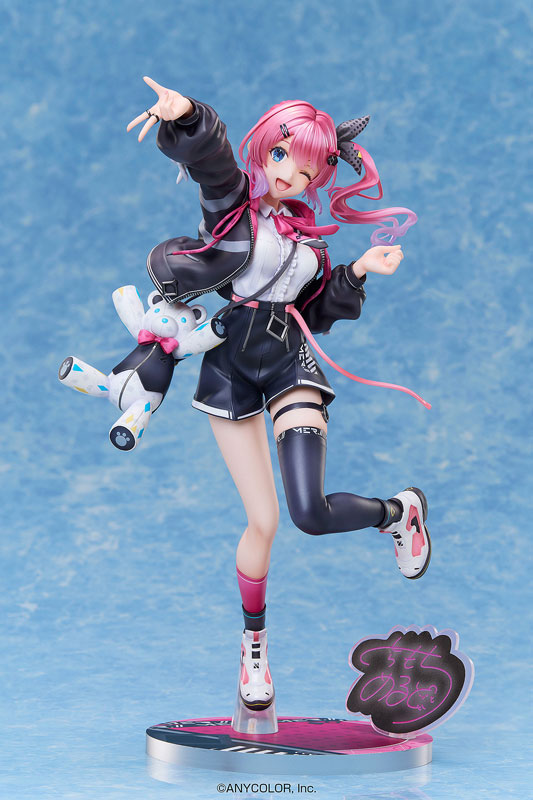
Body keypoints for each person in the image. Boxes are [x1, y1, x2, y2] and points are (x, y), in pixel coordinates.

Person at [127, 77, 431, 714]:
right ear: (264, 147)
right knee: (262, 522)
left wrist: (358, 271)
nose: (292, 173)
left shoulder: (309, 243)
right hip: (231, 366)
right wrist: (187, 116)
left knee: (308, 512)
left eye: (310, 168)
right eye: (282, 154)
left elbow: (315, 311)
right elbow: (212, 164)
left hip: (290, 361)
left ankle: (396, 513)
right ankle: (254, 647)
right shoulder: (234, 211)